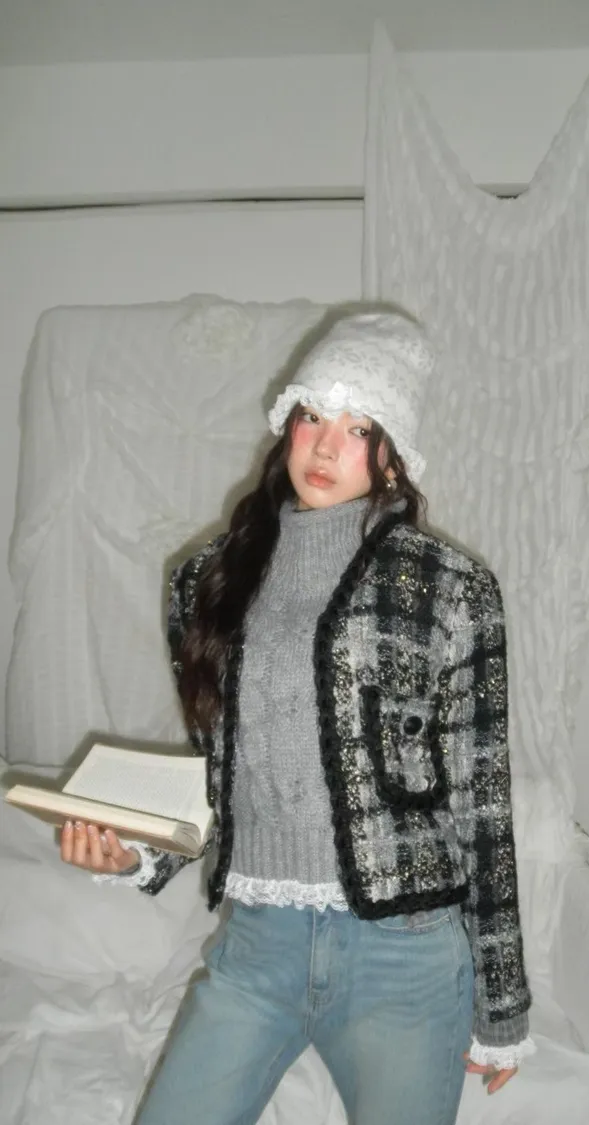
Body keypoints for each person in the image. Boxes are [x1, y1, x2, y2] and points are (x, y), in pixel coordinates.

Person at [60, 307, 534, 1125]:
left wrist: (503, 1005)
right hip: (259, 945)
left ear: (394, 456)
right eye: (313, 415)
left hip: (405, 958)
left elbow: (482, 806)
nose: (324, 446)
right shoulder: (207, 580)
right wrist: (136, 852)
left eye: (358, 428)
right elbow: (221, 772)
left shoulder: (451, 589)